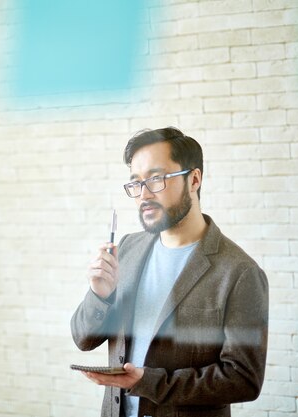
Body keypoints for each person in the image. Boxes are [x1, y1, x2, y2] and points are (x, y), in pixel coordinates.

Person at [70, 127, 269, 417]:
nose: (144, 194)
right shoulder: (127, 249)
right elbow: (83, 339)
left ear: (194, 179)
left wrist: (150, 383)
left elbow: (243, 379)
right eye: (136, 183)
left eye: (156, 179)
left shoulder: (239, 272)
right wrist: (100, 294)